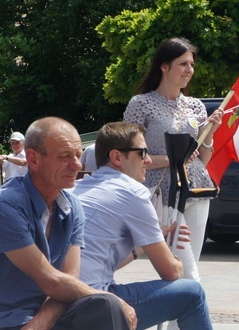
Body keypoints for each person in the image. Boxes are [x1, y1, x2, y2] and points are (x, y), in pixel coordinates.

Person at [0, 117, 133, 330]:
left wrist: (41, 323)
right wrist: (110, 299)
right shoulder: (4, 206)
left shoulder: (71, 206)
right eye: (65, 156)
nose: (77, 164)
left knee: (106, 307)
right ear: (34, 159)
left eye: (77, 154)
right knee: (108, 305)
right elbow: (51, 282)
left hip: (38, 313)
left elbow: (67, 280)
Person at [72, 122, 212, 329]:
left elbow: (97, 263)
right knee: (192, 293)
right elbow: (170, 272)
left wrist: (144, 246)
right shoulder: (133, 192)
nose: (148, 160)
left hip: (64, 300)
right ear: (117, 157)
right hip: (94, 305)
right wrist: (178, 261)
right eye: (142, 152)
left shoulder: (78, 188)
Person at [123, 37, 223, 282]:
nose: (189, 70)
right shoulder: (141, 104)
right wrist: (172, 160)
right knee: (185, 273)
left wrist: (210, 135)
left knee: (188, 268)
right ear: (164, 66)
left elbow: (202, 159)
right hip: (163, 194)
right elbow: (131, 156)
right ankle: (192, 311)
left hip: (197, 189)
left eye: (191, 64)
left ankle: (178, 318)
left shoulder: (196, 107)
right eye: (183, 64)